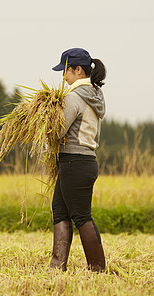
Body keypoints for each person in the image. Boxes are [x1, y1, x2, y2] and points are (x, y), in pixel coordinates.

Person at [49, 48, 107, 272]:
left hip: (75, 162)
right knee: (60, 211)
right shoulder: (93, 96)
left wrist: (44, 121)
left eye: (66, 71)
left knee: (81, 216)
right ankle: (57, 267)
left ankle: (97, 269)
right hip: (82, 162)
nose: (64, 76)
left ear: (78, 70)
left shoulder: (73, 97)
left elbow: (57, 132)